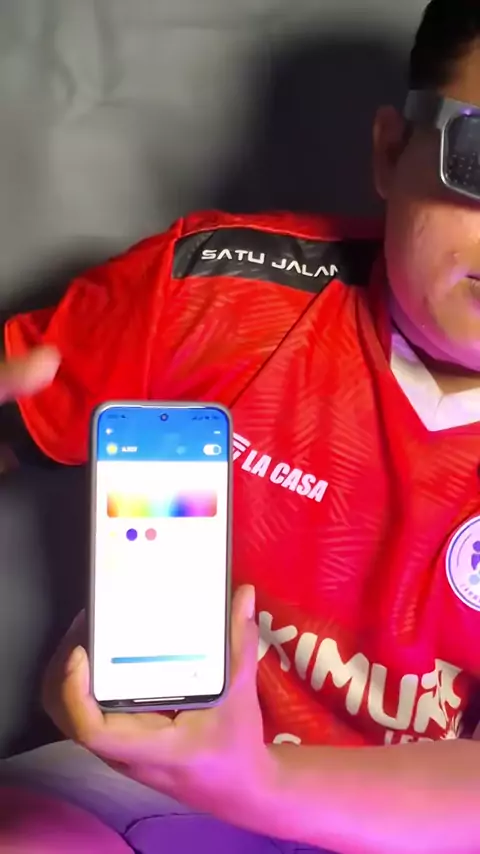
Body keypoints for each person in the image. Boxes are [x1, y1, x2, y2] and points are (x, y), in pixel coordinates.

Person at [3, 0, 480, 850]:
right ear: (390, 151)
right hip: (133, 779)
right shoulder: (209, 295)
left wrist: (253, 780)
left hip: (408, 822)